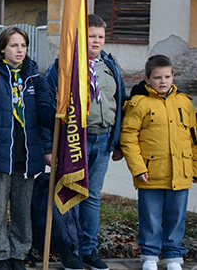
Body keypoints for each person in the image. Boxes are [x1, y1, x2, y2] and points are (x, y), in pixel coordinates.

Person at [45, 14, 126, 270]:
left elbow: (119, 102)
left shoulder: (109, 65)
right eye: (92, 36)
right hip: (74, 140)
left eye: (101, 37)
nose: (97, 41)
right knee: (71, 193)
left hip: (103, 140)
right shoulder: (64, 66)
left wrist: (118, 142)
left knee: (93, 197)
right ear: (81, 37)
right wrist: (49, 147)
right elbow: (47, 108)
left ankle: (89, 249)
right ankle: (71, 249)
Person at [0, 26, 53, 270]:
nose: (19, 50)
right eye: (14, 45)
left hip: (26, 158)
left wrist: (63, 106)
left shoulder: (37, 79)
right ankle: (0, 255)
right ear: (2, 48)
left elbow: (45, 120)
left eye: (23, 46)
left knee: (21, 209)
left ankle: (19, 253)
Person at [120, 55, 197, 270]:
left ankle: (173, 256)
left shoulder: (185, 103)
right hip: (150, 172)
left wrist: (195, 168)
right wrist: (138, 168)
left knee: (176, 217)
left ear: (173, 76)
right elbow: (128, 137)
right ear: (147, 79)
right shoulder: (140, 104)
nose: (162, 81)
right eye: (157, 77)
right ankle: (150, 255)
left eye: (166, 76)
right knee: (151, 217)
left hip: (180, 172)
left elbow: (194, 138)